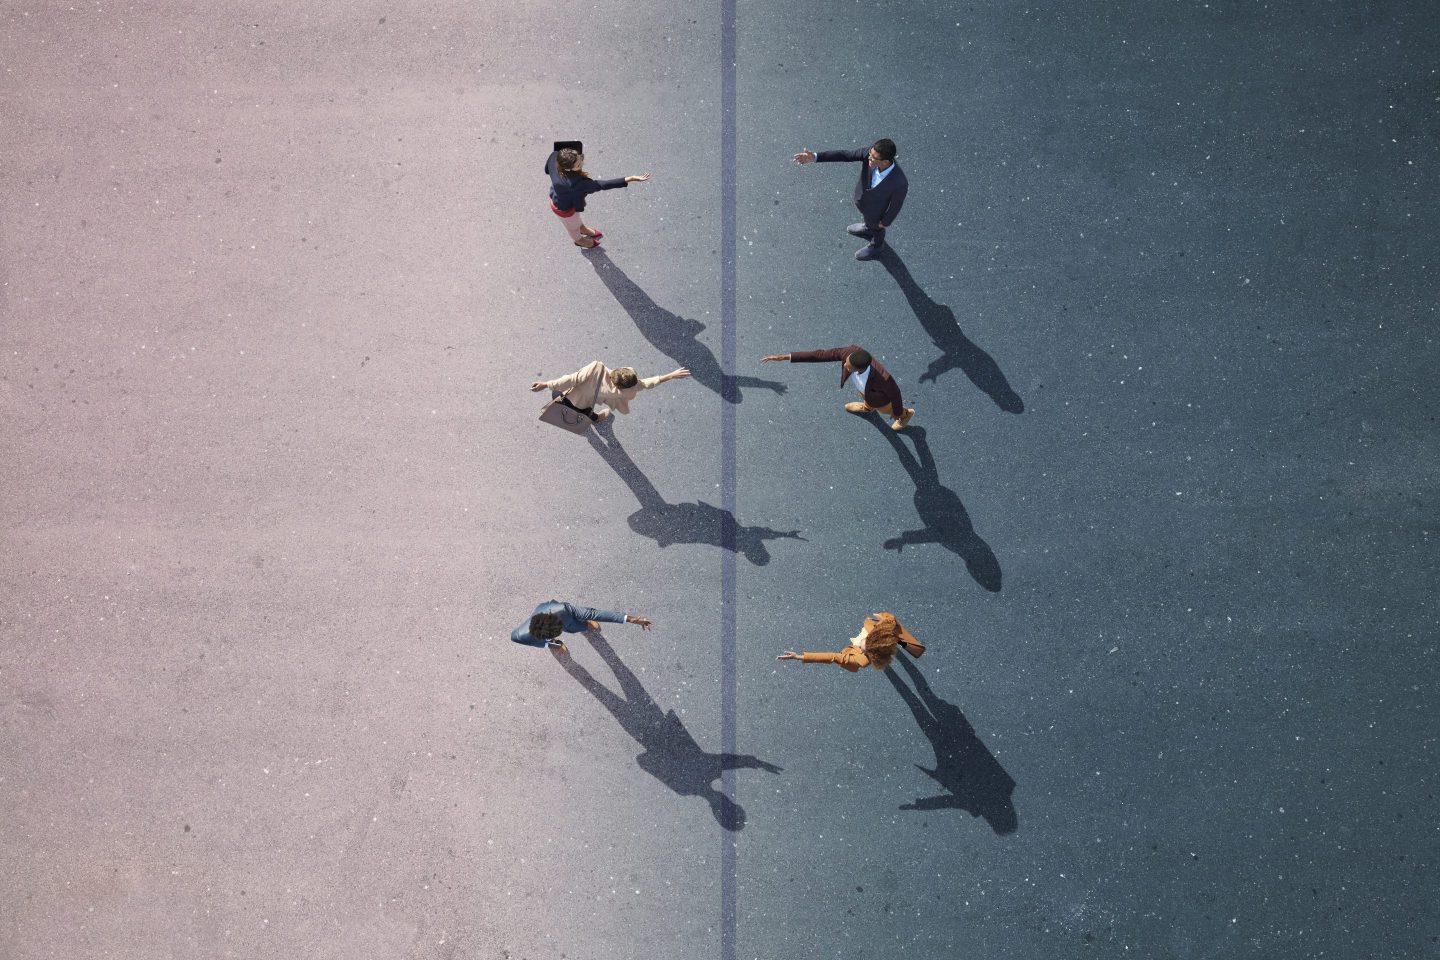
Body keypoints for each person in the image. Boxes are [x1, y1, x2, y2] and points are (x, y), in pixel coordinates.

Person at [792, 138, 907, 261]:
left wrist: (885, 222)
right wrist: (814, 157)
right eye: (870, 154)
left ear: (885, 162)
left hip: (876, 214)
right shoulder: (870, 154)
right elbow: (845, 155)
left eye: (873, 157)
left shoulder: (899, 182)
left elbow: (896, 205)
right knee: (869, 223)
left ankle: (877, 246)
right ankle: (868, 228)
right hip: (862, 201)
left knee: (877, 229)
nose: (869, 157)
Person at [760, 345, 915, 430]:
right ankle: (868, 407)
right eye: (845, 362)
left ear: (858, 369)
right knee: (865, 396)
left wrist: (896, 412)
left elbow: (895, 394)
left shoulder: (884, 379)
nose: (844, 364)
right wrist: (786, 357)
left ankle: (906, 414)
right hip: (866, 392)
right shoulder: (849, 353)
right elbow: (819, 355)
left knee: (885, 409)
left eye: (848, 366)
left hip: (880, 400)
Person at [544, 148, 650, 248]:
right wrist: (630, 178)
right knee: (572, 227)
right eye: (578, 165)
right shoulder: (578, 185)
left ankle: (582, 228)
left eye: (580, 158)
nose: (581, 162)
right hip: (564, 210)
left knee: (576, 220)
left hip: (557, 197)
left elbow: (547, 169)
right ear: (568, 168)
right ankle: (579, 240)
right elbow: (602, 185)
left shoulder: (555, 157)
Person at [530, 360, 690, 420]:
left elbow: (570, 379)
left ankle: (562, 404)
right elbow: (647, 383)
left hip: (571, 395)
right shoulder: (627, 390)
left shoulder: (596, 369)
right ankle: (595, 419)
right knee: (587, 413)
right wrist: (671, 375)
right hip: (587, 404)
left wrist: (546, 384)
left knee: (557, 395)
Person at [777, 612, 924, 672]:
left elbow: (832, 657)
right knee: (891, 639)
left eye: (864, 648)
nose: (861, 643)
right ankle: (894, 642)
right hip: (883, 639)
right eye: (866, 640)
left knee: (892, 640)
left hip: (883, 643)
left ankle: (895, 642)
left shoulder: (861, 661)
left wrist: (799, 656)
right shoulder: (878, 630)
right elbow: (890, 618)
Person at [511, 600, 652, 652]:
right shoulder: (519, 637)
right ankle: (555, 645)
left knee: (578, 624)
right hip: (539, 636)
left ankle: (585, 624)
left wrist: (631, 619)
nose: (558, 632)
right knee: (553, 645)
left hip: (564, 617)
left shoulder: (562, 609)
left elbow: (596, 613)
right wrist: (549, 644)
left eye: (557, 631)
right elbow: (542, 641)